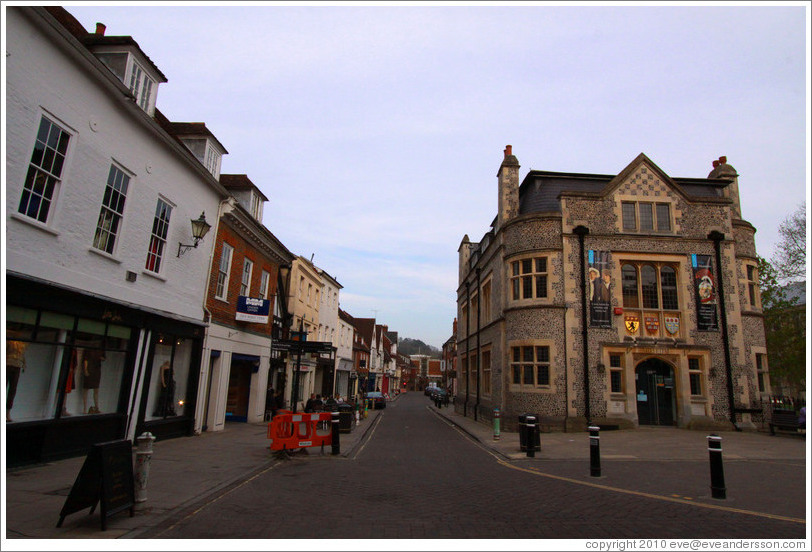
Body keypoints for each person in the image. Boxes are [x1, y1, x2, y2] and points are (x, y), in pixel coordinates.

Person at [6, 340, 28, 422]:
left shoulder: (22, 344)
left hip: (16, 365)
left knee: (12, 389)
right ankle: (7, 413)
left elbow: (22, 355)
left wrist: (24, 364)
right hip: (8, 363)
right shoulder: (9, 342)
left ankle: (7, 412)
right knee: (10, 389)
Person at [83, 348, 105, 414]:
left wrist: (100, 358)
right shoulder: (89, 349)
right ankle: (85, 408)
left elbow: (104, 358)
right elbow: (85, 360)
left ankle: (96, 407)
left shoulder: (101, 349)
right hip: (90, 370)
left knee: (96, 389)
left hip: (96, 371)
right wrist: (86, 369)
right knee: (86, 389)